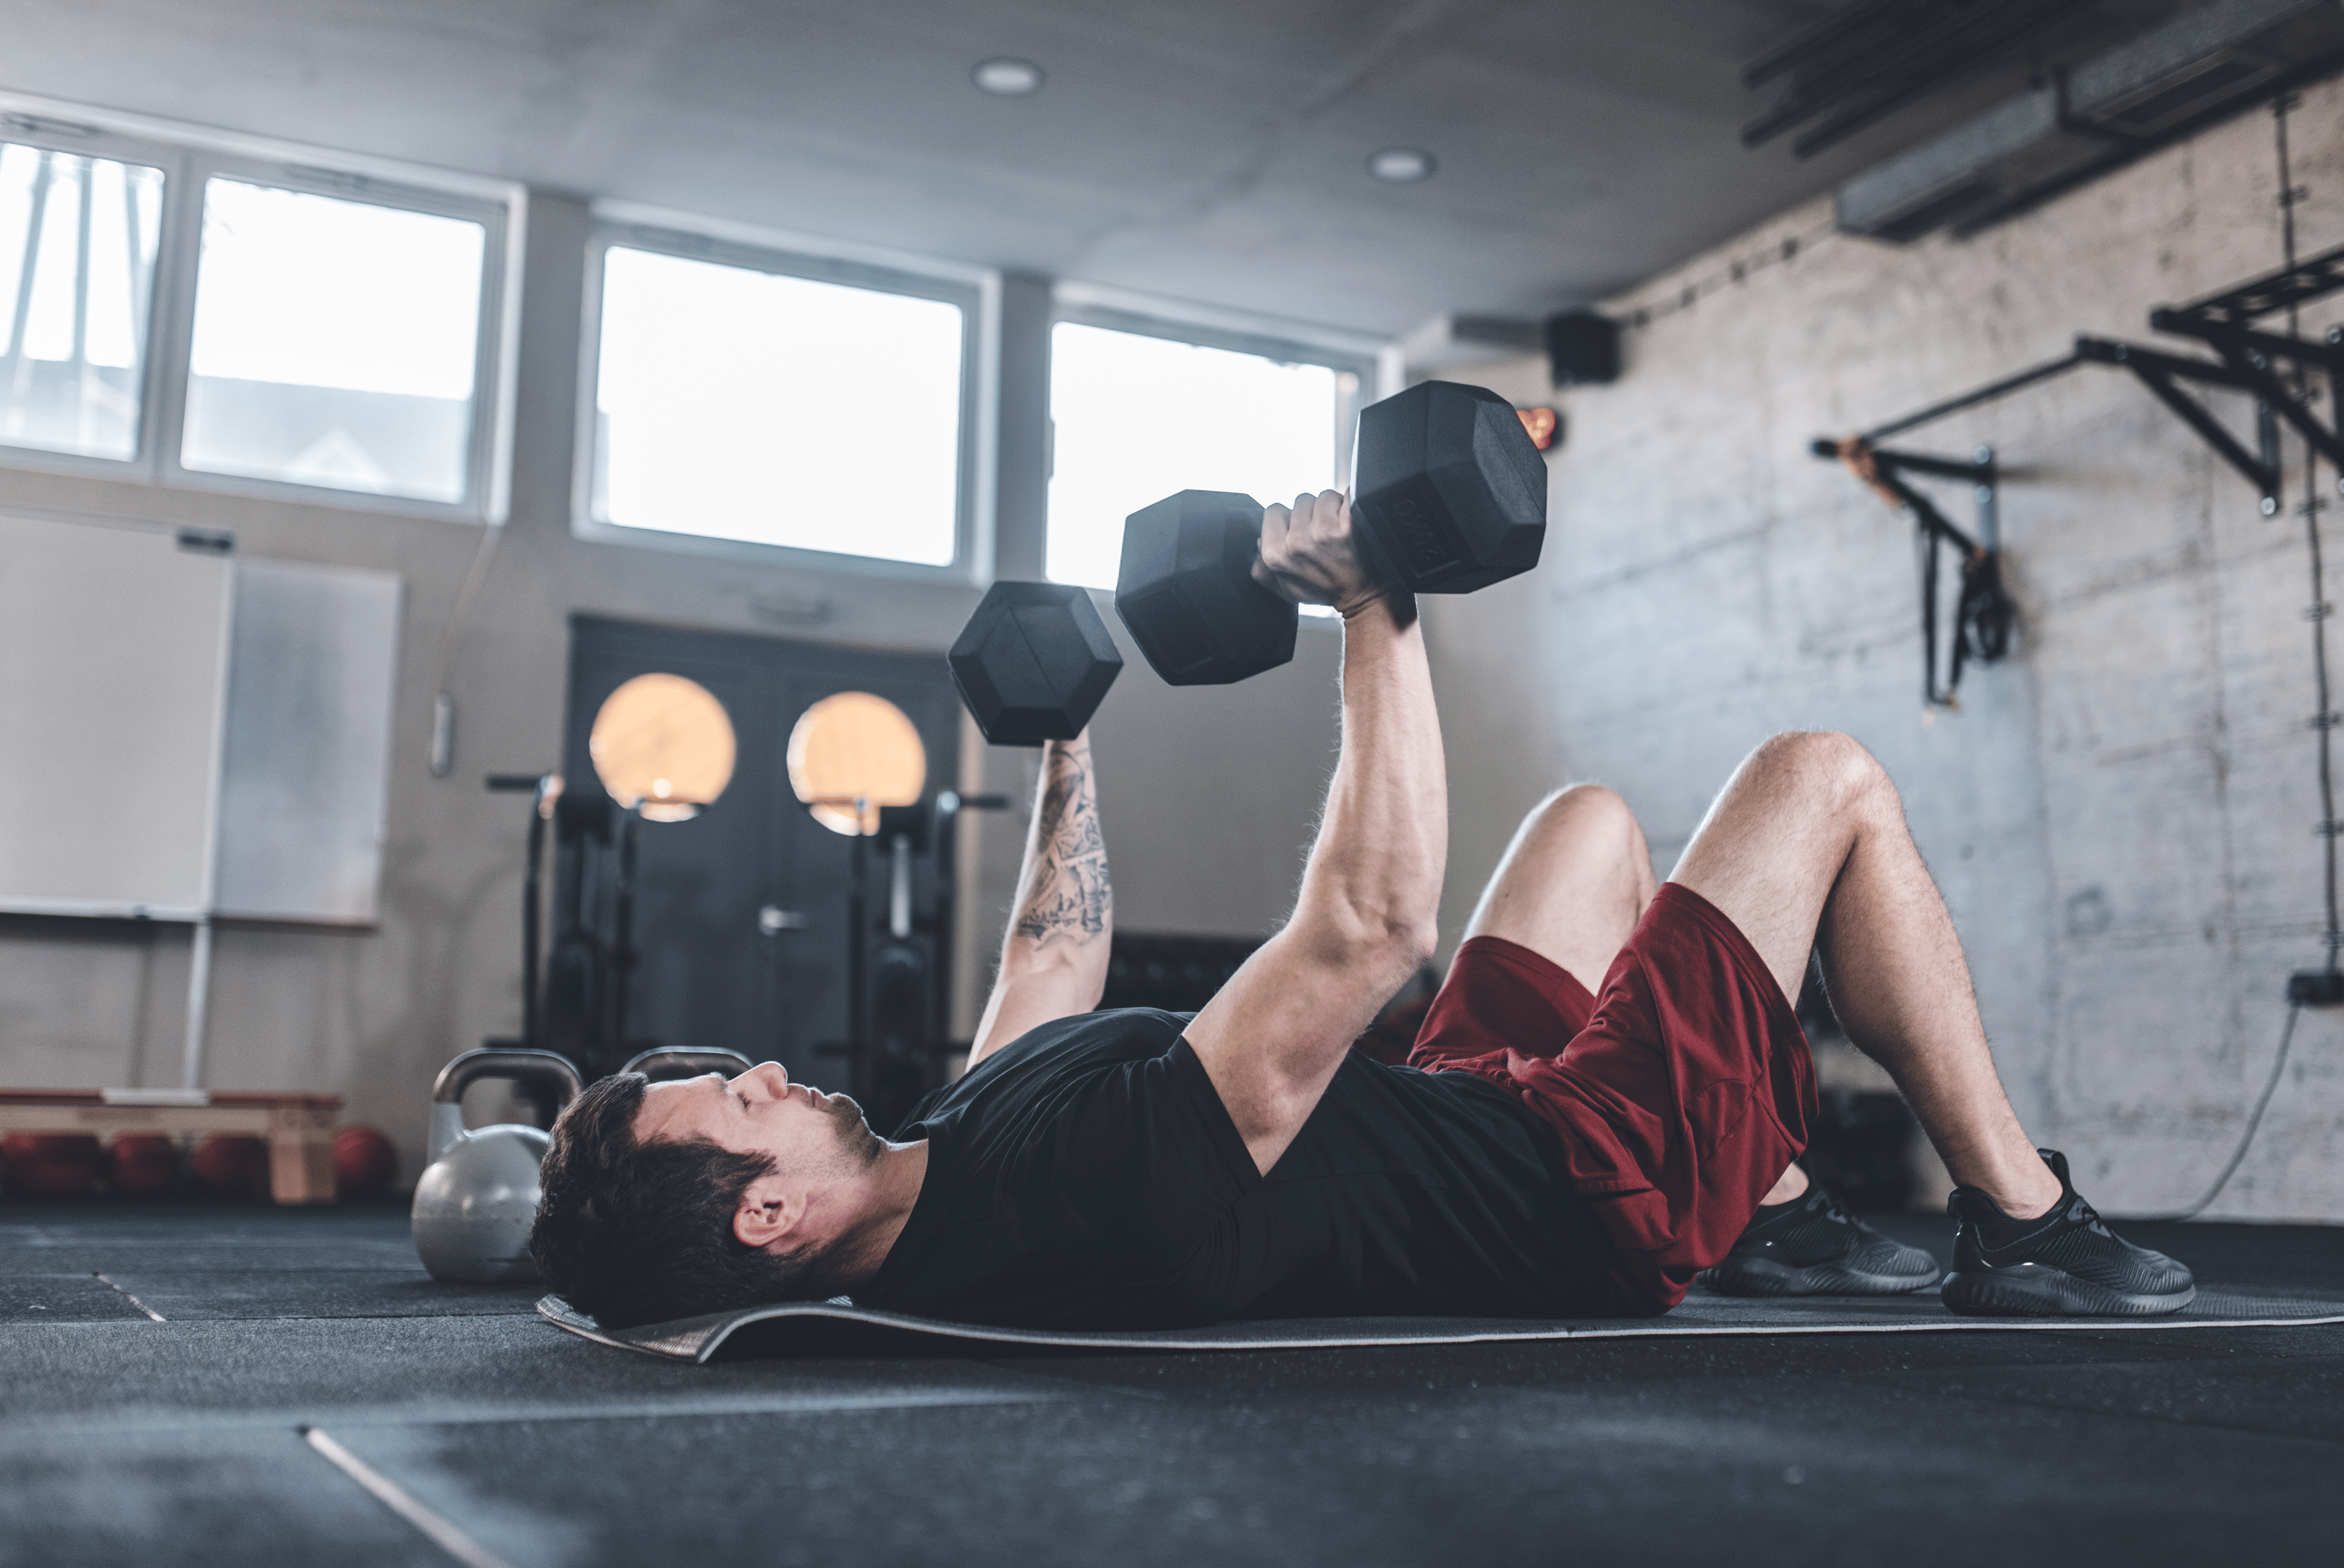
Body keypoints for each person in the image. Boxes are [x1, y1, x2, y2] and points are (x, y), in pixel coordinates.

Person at [530, 491, 2192, 1332]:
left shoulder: (945, 1149)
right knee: (1819, 776)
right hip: (1585, 1186)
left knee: (1590, 824)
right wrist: (1374, 611)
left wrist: (1065, 735)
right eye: (736, 1104)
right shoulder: (1077, 1192)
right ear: (766, 1221)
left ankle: (1768, 1198)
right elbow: (1371, 926)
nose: (765, 1071)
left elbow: (1053, 961)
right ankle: (2024, 1224)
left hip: (1469, 1108)